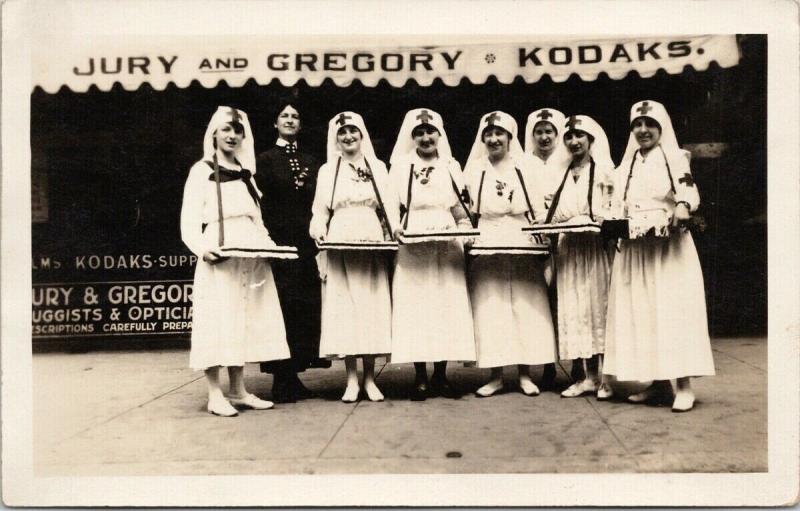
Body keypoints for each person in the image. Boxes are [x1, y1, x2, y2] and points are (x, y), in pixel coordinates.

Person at [603, 100, 715, 412]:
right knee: (643, 310)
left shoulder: (675, 158)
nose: (642, 131)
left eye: (649, 125)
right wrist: (612, 225)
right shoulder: (627, 164)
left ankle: (683, 386)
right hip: (637, 249)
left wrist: (683, 205)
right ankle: (656, 382)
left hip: (668, 249)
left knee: (671, 310)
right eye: (637, 125)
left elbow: (688, 190)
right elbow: (616, 202)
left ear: (660, 128)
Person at [180, 106, 290, 417]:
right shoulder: (201, 171)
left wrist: (269, 247)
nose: (232, 135)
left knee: (243, 319)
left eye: (237, 130)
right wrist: (202, 249)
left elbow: (257, 219)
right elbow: (188, 222)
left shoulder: (246, 172)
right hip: (220, 255)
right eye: (226, 129)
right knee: (217, 320)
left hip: (250, 256)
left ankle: (238, 389)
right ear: (213, 133)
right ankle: (215, 393)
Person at [463, 111, 556, 397]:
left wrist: (543, 232)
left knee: (525, 304)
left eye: (499, 134)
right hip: (489, 235)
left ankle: (526, 374)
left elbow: (538, 207)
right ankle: (496, 375)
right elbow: (468, 210)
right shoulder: (475, 170)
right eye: (488, 135)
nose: (493, 139)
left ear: (509, 138)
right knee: (492, 305)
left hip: (520, 234)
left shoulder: (525, 167)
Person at [309, 111, 399, 402]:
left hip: (370, 234)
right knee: (345, 306)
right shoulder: (328, 170)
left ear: (362, 135)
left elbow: (389, 205)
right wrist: (318, 229)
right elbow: (321, 209)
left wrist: (394, 230)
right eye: (342, 132)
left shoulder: (377, 166)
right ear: (336, 138)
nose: (348, 137)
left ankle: (371, 378)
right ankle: (350, 379)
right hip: (341, 234)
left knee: (371, 305)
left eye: (353, 131)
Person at [388, 108, 476, 401]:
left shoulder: (452, 165)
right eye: (419, 133)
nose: (426, 138)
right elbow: (390, 204)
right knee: (417, 307)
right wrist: (395, 228)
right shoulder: (401, 166)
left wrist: (464, 228)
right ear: (412, 138)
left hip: (446, 239)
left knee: (445, 305)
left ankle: (441, 375)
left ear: (440, 135)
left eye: (430, 132)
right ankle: (420, 376)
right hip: (413, 237)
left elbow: (461, 206)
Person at [254, 101, 329, 404]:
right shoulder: (264, 160)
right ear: (275, 123)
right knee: (282, 307)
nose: (289, 119)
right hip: (279, 243)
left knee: (304, 309)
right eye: (283, 115)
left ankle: (294, 375)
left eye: (295, 116)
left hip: (305, 244)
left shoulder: (311, 160)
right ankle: (281, 379)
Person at [544, 114, 614, 399]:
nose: (574, 142)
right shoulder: (559, 173)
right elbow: (552, 212)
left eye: (580, 136)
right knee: (574, 307)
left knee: (598, 305)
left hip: (595, 248)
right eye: (569, 137)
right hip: (569, 248)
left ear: (591, 140)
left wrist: (594, 218)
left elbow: (611, 209)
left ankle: (606, 378)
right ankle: (588, 376)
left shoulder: (604, 171)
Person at [524, 107, 573, 388]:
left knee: (565, 296)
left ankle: (577, 361)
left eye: (549, 132)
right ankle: (544, 361)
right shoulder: (523, 162)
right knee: (539, 299)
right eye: (539, 132)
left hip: (565, 237)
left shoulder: (568, 160)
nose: (544, 137)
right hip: (534, 237)